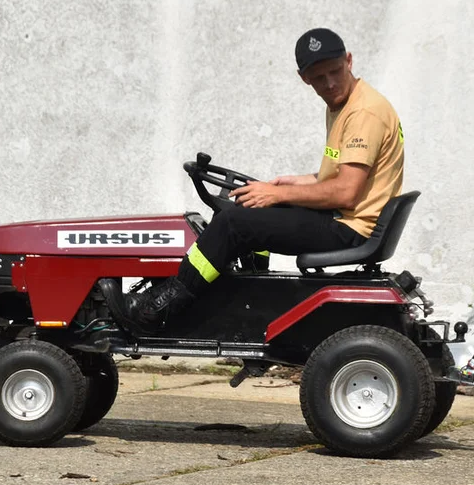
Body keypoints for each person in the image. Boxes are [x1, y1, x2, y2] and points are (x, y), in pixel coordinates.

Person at [122, 28, 405, 333]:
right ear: (304, 77)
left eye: (335, 71)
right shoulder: (345, 104)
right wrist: (290, 184)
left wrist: (277, 196)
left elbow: (347, 192)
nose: (330, 83)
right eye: (319, 77)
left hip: (350, 226)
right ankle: (251, 293)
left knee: (233, 223)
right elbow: (340, 176)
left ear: (349, 61)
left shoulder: (363, 112)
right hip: (348, 219)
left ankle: (160, 307)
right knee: (251, 208)